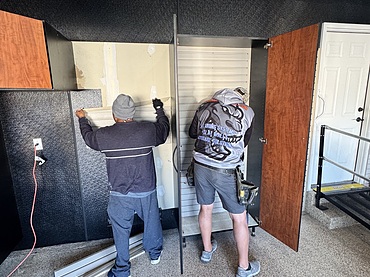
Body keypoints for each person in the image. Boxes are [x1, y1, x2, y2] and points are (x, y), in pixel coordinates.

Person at [75, 94, 170, 277]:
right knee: (152, 223)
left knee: (120, 231)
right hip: (146, 190)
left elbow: (88, 137)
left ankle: (122, 270)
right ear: (132, 113)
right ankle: (154, 255)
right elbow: (164, 130)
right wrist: (159, 110)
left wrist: (82, 119)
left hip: (119, 194)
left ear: (114, 114)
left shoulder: (104, 135)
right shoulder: (147, 130)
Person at [188, 87, 260, 277]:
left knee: (205, 209)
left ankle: (207, 250)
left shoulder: (204, 107)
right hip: (225, 171)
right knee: (239, 218)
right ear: (240, 99)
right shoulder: (247, 112)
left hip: (201, 166)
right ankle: (244, 268)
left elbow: (192, 133)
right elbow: (244, 142)